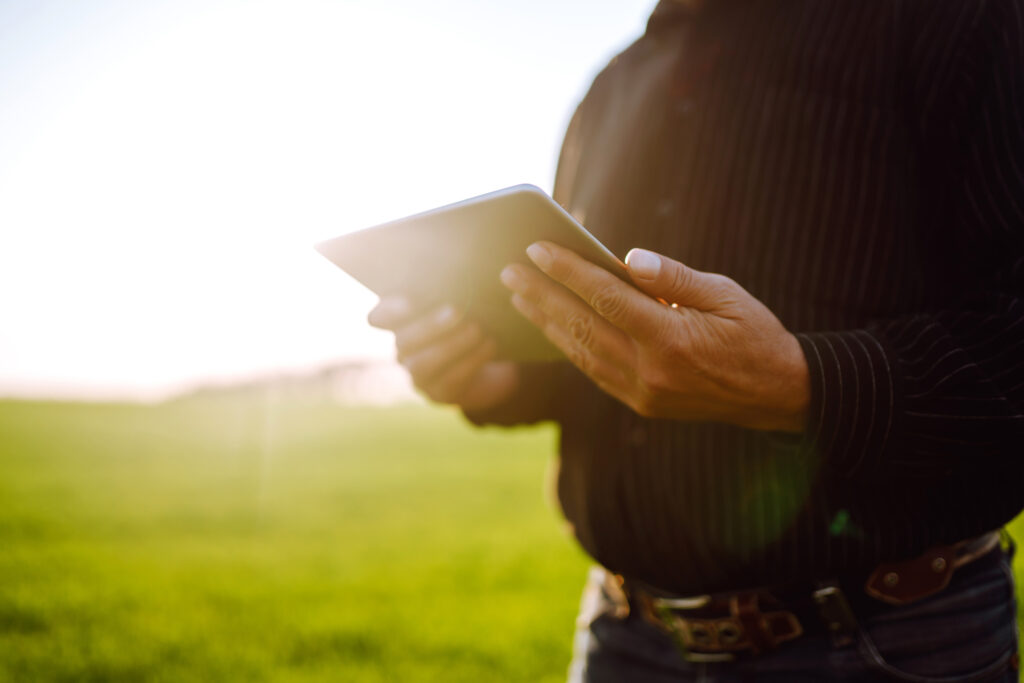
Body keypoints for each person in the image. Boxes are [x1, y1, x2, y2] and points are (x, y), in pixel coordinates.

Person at [368, 0, 1024, 679]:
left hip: (883, 638)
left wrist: (803, 383)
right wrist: (490, 379)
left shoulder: (955, 18)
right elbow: (611, 351)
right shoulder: (610, 86)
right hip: (626, 635)